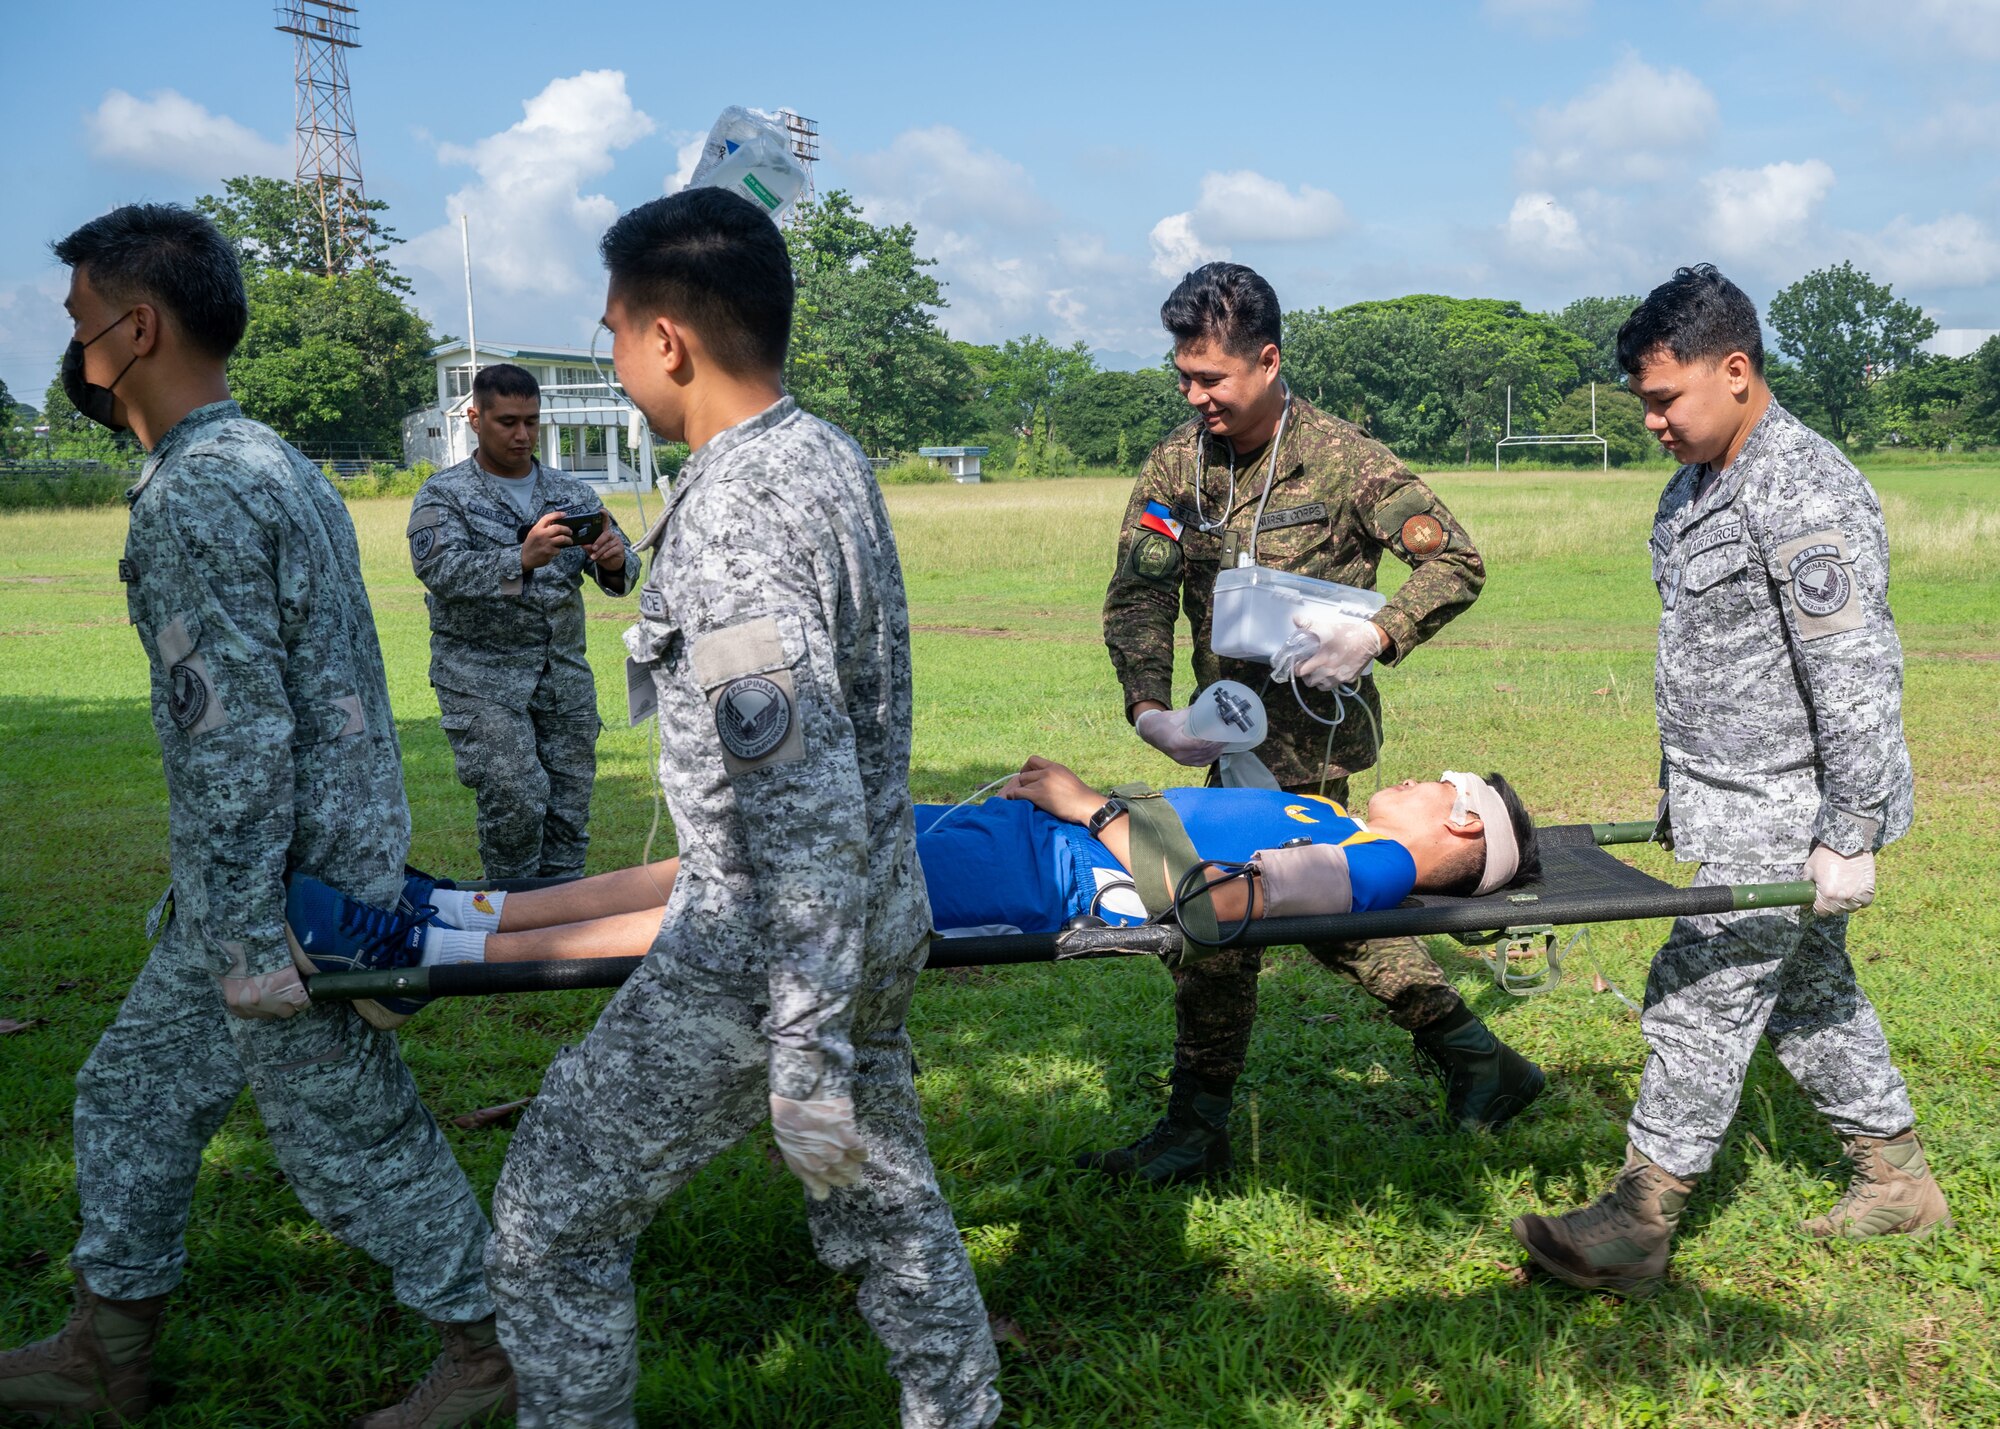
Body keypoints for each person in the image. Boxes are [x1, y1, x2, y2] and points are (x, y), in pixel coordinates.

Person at [478, 188, 1002, 1429]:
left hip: (761, 953)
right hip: (873, 916)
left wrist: (803, 1047)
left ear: (667, 340)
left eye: (611, 331)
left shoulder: (732, 516)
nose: (609, 358)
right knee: (886, 1204)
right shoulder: (820, 451)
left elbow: (799, 798)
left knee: (548, 1220)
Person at [0, 204, 510, 1427]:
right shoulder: (271, 462)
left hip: (284, 899)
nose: (71, 350)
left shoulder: (197, 496)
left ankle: (492, 1351)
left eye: (79, 325)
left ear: (136, 327)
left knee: (353, 1134)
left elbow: (237, 735)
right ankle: (103, 1352)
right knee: (130, 1092)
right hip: (286, 876)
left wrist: (241, 940)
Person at [1511, 265, 1951, 1299]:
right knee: (1808, 992)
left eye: (1665, 398)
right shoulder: (1693, 487)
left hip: (1788, 805)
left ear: (1736, 370)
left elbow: (1851, 671)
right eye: (1643, 402)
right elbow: (1708, 657)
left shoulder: (1803, 486)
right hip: (1729, 799)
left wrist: (1847, 831)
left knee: (1700, 991)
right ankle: (1896, 1182)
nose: (1652, 421)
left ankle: (1637, 1218)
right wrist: (1680, 793)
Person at [1095, 261, 1540, 1182]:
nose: (1196, 395)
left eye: (1212, 376)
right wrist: (1152, 714)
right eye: (1183, 375)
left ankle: (1195, 1130)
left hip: (1314, 742)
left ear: (1268, 359)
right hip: (1217, 736)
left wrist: (1375, 634)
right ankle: (1477, 1058)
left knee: (1225, 920)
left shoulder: (1343, 459)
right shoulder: (1179, 465)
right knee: (1313, 916)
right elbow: (1138, 597)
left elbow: (1455, 561)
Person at [294, 760, 1541, 973]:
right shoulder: (1345, 827)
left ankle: (434, 948)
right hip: (1016, 844)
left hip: (1027, 873)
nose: (1424, 779)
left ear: (1464, 831)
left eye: (1447, 787)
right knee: (729, 859)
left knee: (741, 903)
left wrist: (1084, 800)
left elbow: (1209, 907)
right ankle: (463, 905)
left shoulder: (1373, 869)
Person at [408, 362, 638, 881]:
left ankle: (561, 934)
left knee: (566, 816)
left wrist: (613, 559)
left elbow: (624, 569)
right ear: (474, 418)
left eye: (531, 422)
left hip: (563, 681)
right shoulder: (445, 495)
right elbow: (439, 570)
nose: (522, 434)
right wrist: (519, 558)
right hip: (482, 681)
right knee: (515, 801)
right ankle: (512, 930)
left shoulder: (571, 494)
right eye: (507, 421)